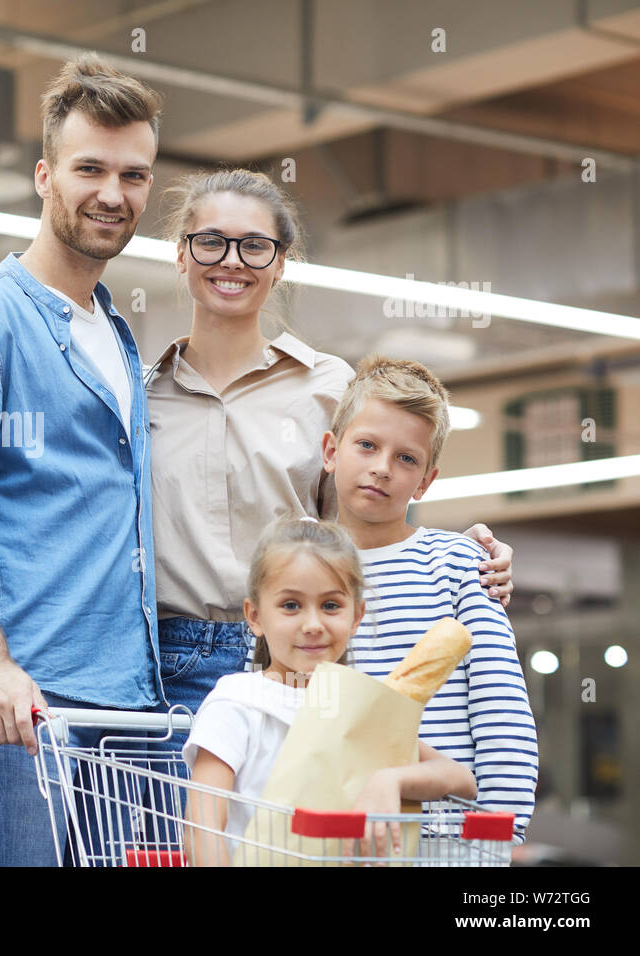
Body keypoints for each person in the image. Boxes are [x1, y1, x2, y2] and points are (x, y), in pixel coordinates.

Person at [0, 52, 164, 866]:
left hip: (130, 709)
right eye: (90, 169)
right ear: (44, 176)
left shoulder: (115, 334)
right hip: (27, 704)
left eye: (134, 175)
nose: (113, 194)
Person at [144, 167, 516, 736]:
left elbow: (361, 526)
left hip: (295, 657)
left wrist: (457, 560)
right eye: (212, 241)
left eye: (256, 246)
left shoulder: (326, 385)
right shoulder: (139, 393)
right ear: (181, 253)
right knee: (173, 827)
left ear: (281, 263)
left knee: (281, 825)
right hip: (162, 662)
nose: (232, 261)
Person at [321, 354, 539, 843]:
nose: (381, 468)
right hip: (333, 834)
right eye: (367, 445)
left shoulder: (459, 564)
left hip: (450, 840)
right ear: (331, 451)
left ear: (426, 480)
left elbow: (501, 709)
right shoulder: (299, 568)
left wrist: (498, 832)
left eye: (406, 458)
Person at [181, 516, 478, 866]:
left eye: (331, 606)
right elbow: (202, 831)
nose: (312, 625)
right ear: (255, 616)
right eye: (291, 605)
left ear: (356, 616)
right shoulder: (237, 701)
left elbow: (461, 780)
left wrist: (391, 780)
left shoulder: (356, 708)